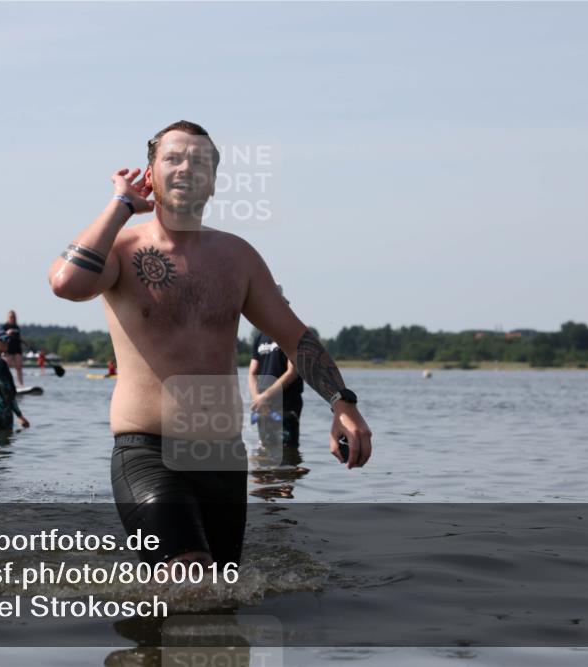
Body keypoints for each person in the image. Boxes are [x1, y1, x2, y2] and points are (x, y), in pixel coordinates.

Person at [48, 120, 372, 567]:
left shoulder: (237, 257)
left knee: (221, 593)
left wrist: (342, 403)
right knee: (190, 573)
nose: (187, 168)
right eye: (173, 158)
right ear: (150, 174)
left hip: (223, 458)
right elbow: (67, 283)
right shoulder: (121, 249)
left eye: (200, 161)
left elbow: (296, 338)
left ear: (214, 182)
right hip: (148, 451)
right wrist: (121, 204)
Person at [249, 286, 304, 452]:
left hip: (286, 405)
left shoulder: (292, 332)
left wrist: (264, 396)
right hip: (264, 405)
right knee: (264, 451)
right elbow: (252, 372)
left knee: (286, 453)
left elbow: (292, 372)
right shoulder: (260, 336)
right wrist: (257, 398)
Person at [2, 310, 27, 387]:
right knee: (6, 368)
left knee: (19, 367)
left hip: (17, 349)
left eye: (14, 317)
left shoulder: (16, 327)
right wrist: (7, 333)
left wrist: (25, 342)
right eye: (11, 317)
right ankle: (5, 384)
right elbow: (1, 337)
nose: (12, 318)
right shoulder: (5, 327)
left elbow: (18, 337)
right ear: (8, 317)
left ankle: (21, 384)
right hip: (8, 349)